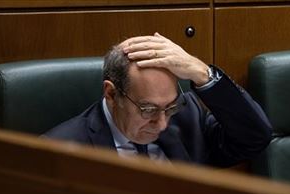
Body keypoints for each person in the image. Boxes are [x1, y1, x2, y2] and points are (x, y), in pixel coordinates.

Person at [44, 32, 272, 167]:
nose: (163, 124)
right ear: (112, 94)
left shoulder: (187, 116)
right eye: (148, 109)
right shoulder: (60, 151)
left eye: (171, 107)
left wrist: (203, 74)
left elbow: (254, 138)